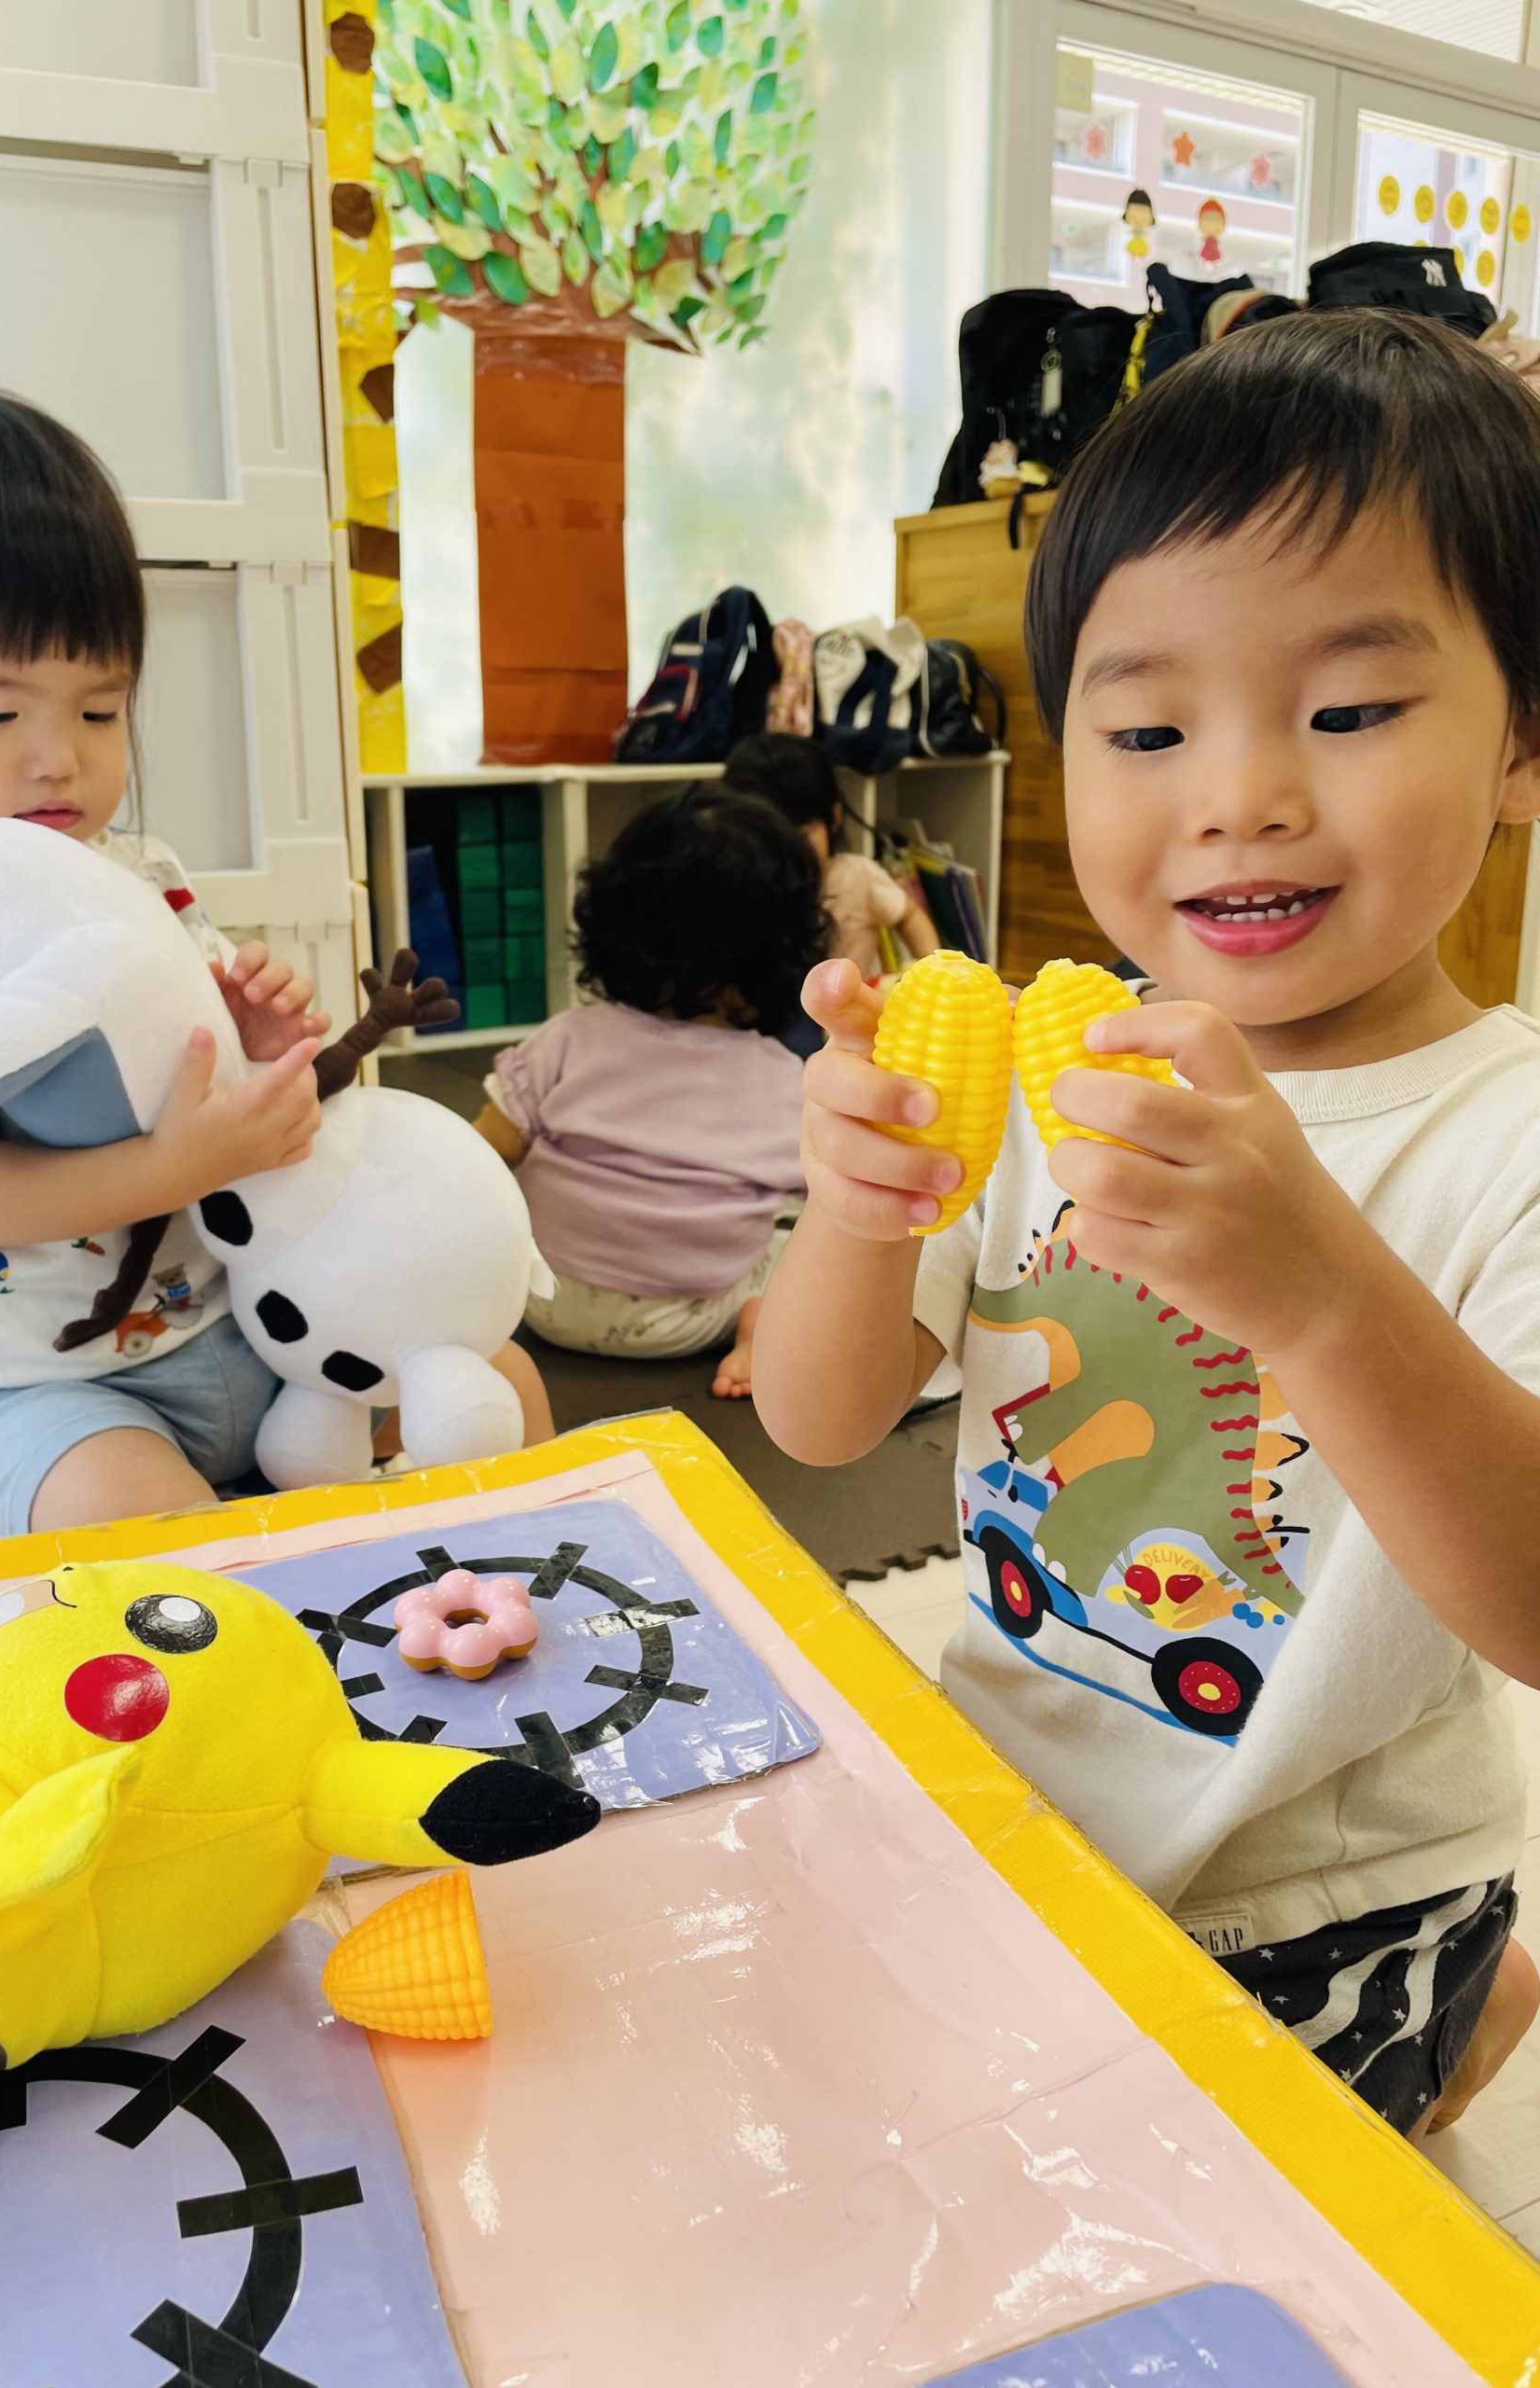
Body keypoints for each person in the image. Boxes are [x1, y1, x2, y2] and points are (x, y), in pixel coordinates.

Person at [754, 310, 1540, 2138]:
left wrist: (1321, 1295)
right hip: (1016, 1792)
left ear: (1522, 739)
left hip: (1322, 1881)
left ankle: (1461, 1992)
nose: (1238, 795)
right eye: (1148, 727)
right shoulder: (1059, 1071)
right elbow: (816, 1420)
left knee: (1225, 2212)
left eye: (1350, 711)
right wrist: (854, 1214)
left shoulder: (1501, 1138)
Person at [0, 382, 548, 1536]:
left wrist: (261, 1045)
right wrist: (174, 1164)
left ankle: (485, 1620)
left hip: (247, 1323)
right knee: (162, 1539)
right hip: (34, 1395)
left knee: (506, 1388)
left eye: (100, 711)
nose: (59, 759)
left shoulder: (135, 875)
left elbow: (202, 1079)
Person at [475, 787, 823, 1399]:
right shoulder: (782, 1080)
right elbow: (830, 1198)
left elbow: (482, 1152)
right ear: (786, 954)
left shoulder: (569, 1038)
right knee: (801, 1235)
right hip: (689, 1319)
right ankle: (760, 1327)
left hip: (539, 1298)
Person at [722, 730, 940, 982]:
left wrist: (933, 975)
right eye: (764, 839)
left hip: (850, 1005)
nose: (784, 851)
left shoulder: (859, 877)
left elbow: (909, 916)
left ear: (834, 817)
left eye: (800, 836)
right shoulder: (740, 888)